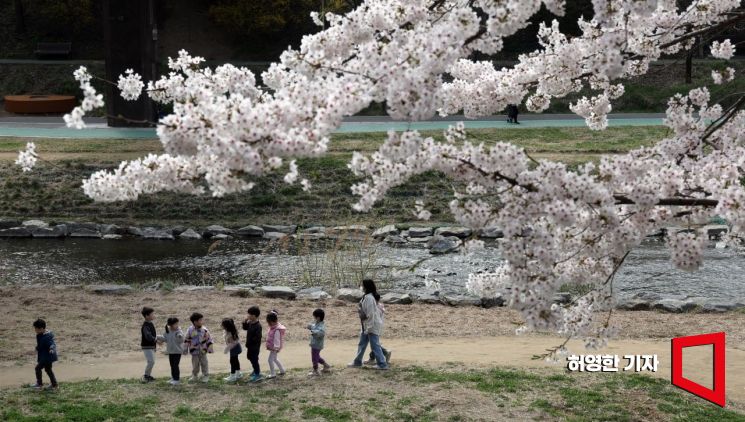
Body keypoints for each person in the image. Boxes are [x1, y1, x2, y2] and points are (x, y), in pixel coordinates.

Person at [348, 278, 388, 369]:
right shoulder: (367, 297)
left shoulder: (369, 298)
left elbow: (370, 314)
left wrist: (369, 328)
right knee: (362, 344)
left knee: (375, 345)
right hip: (366, 325)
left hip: (371, 326)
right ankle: (357, 362)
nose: (360, 286)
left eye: (361, 285)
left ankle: (382, 364)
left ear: (366, 287)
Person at [184, 312, 214, 383]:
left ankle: (205, 375)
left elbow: (209, 339)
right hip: (194, 351)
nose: (202, 322)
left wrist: (210, 348)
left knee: (204, 363)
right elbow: (186, 339)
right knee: (195, 364)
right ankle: (195, 376)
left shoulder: (204, 330)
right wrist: (185, 349)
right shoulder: (190, 330)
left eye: (202, 320)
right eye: (200, 320)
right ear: (195, 322)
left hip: (203, 350)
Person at [30, 319, 58, 390]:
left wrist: (52, 349)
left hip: (48, 357)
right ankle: (54, 384)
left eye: (36, 329)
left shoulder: (47, 337)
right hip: (45, 356)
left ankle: (39, 384)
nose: (35, 330)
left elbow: (52, 344)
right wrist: (37, 348)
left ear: (42, 328)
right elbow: (40, 344)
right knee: (48, 370)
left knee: (38, 368)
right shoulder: (40, 335)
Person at [364, 293, 392, 366]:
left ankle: (385, 353)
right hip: (379, 326)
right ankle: (372, 357)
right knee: (374, 343)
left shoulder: (375, 307)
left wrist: (368, 327)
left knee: (374, 344)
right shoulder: (380, 306)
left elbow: (372, 316)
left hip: (374, 326)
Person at [159, 317, 184, 385]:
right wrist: (157, 337)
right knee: (172, 365)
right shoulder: (168, 331)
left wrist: (179, 336)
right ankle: (173, 377)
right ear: (170, 325)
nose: (177, 325)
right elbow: (164, 338)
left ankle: (177, 379)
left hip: (177, 352)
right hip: (170, 351)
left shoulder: (179, 331)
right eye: (175, 324)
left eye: (177, 324)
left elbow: (181, 339)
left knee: (175, 365)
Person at [307, 308, 331, 376]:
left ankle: (316, 371)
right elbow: (314, 326)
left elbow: (321, 333)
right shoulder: (317, 323)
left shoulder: (321, 326)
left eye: (314, 317)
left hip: (317, 345)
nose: (313, 318)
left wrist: (313, 332)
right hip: (315, 344)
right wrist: (310, 326)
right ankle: (326, 366)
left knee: (314, 358)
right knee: (317, 356)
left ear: (318, 318)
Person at [242, 306, 263, 383]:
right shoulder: (250, 323)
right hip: (250, 346)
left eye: (249, 314)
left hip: (254, 347)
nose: (248, 316)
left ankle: (258, 374)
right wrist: (245, 322)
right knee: (250, 357)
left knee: (254, 360)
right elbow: (245, 328)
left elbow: (258, 337)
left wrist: (250, 342)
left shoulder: (258, 326)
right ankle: (255, 370)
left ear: (254, 316)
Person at [265, 310, 286, 379]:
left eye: (270, 323)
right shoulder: (274, 327)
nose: (269, 324)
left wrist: (275, 348)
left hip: (274, 348)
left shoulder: (277, 329)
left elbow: (277, 340)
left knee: (270, 360)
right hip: (273, 347)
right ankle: (282, 370)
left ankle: (273, 374)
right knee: (275, 359)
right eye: (268, 323)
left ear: (275, 321)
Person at [140, 306, 158, 383]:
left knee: (151, 361)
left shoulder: (150, 324)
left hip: (150, 346)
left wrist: (154, 345)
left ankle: (147, 375)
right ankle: (146, 376)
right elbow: (148, 336)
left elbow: (152, 335)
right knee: (151, 361)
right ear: (147, 316)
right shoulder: (145, 325)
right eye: (152, 314)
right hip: (146, 346)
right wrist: (156, 340)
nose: (154, 315)